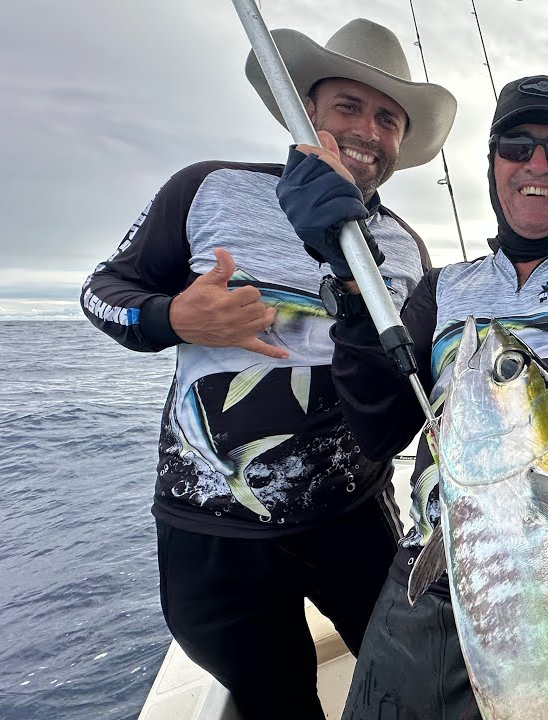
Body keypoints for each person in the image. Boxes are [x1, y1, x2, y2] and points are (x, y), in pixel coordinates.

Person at [279, 74, 548, 720]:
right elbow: (380, 429)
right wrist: (350, 289)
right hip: (442, 573)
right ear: (490, 163)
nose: (537, 164)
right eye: (517, 146)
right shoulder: (443, 289)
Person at [79, 20, 456, 720]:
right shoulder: (206, 189)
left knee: (415, 686)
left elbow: (404, 386)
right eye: (348, 106)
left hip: (356, 520)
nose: (367, 129)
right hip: (213, 539)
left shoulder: (405, 245)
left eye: (388, 117)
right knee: (276, 702)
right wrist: (171, 319)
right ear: (306, 111)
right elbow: (103, 293)